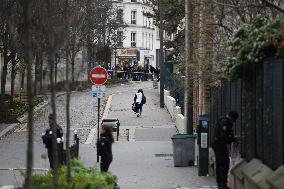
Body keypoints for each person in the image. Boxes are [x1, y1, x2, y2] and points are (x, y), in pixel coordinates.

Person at [211, 111, 239, 189]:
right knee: (223, 164)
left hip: (217, 144)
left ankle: (221, 183)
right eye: (234, 120)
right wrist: (233, 139)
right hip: (220, 145)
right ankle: (222, 184)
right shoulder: (225, 123)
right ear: (232, 118)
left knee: (221, 164)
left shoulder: (222, 120)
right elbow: (224, 137)